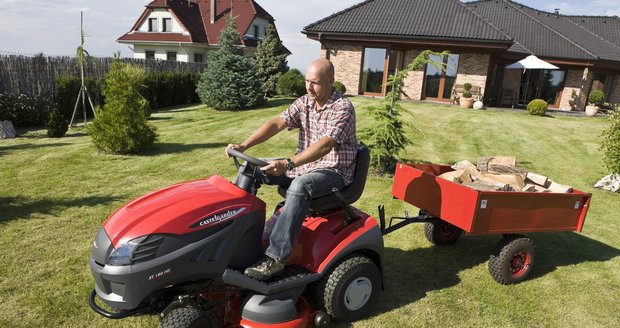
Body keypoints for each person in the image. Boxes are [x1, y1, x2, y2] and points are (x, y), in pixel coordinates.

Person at [225, 58, 357, 281]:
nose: (308, 86)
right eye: (307, 81)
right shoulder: (305, 102)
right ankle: (235, 237)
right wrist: (244, 145)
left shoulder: (342, 108)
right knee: (251, 167)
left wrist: (288, 164)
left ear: (330, 82)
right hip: (303, 166)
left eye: (314, 82)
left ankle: (275, 258)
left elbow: (326, 145)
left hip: (334, 172)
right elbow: (277, 123)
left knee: (300, 186)